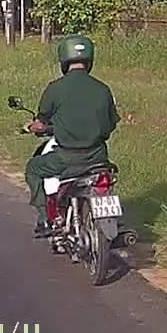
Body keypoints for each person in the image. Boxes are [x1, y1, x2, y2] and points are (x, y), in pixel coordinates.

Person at [23, 34, 120, 237]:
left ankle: (45, 218)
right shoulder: (103, 89)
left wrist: (32, 127)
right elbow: (111, 124)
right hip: (98, 158)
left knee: (33, 168)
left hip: (66, 159)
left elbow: (41, 123)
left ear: (63, 59)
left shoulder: (55, 88)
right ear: (90, 59)